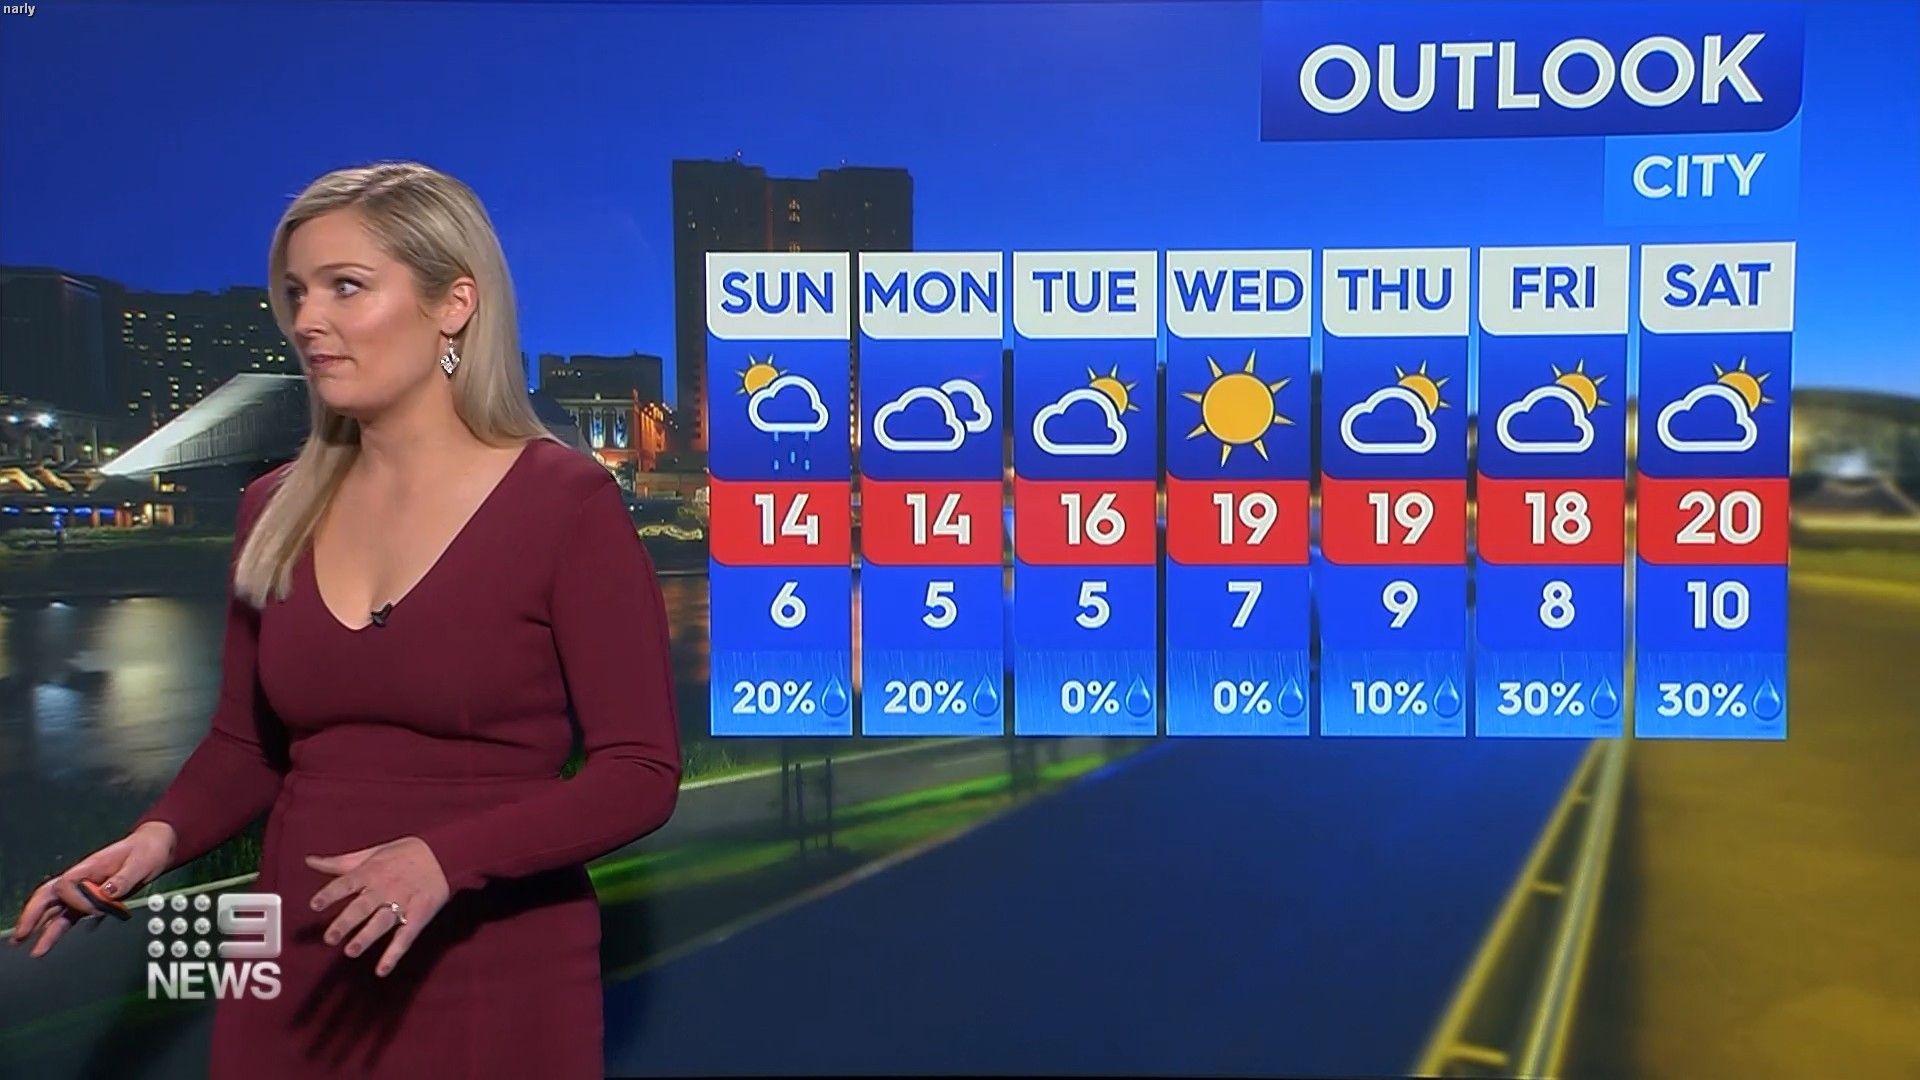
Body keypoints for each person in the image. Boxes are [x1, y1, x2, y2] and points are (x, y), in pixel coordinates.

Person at [7, 161, 683, 1077]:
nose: (306, 320)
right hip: (295, 959)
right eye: (295, 293)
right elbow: (246, 747)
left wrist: (443, 860)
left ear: (454, 305)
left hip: (490, 963)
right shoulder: (272, 509)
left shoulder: (565, 503)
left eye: (346, 287)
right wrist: (154, 839)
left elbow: (639, 773)